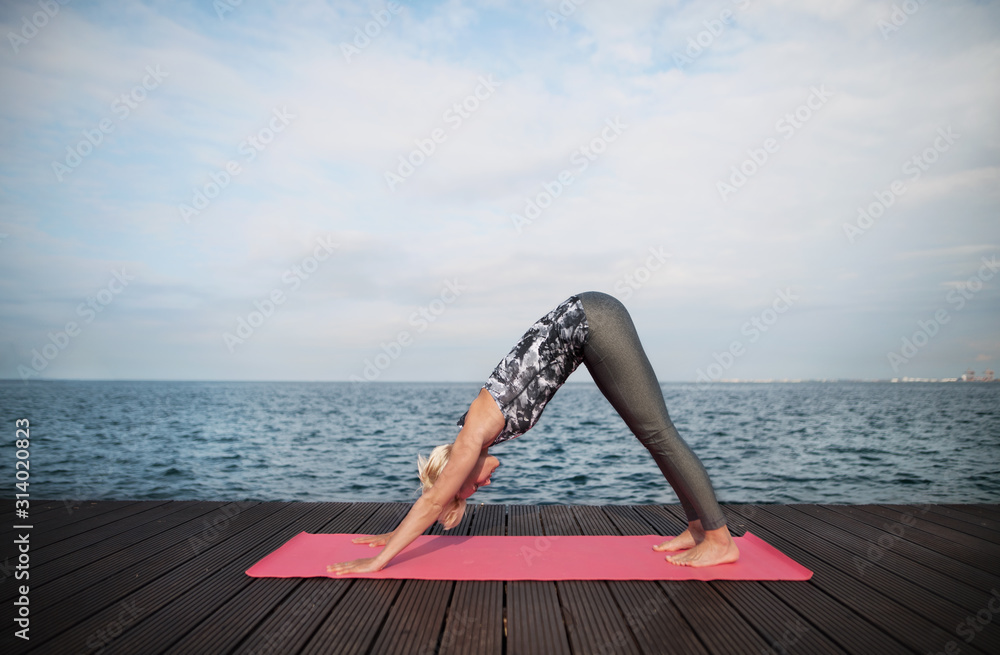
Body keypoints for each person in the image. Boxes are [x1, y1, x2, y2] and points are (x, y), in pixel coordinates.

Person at [328, 292, 739, 573]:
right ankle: (699, 526)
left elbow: (436, 498)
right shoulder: (476, 430)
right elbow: (436, 495)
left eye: (469, 487)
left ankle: (720, 541)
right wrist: (392, 535)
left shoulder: (472, 436)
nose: (483, 484)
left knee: (658, 432)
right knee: (653, 436)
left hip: (594, 321)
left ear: (457, 469)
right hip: (588, 328)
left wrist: (379, 560)